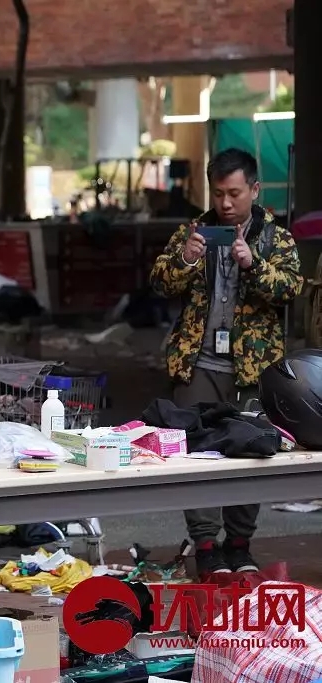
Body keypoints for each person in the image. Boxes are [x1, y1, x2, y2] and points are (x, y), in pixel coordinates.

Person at [149, 147, 303, 575]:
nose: (226, 204)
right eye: (218, 194)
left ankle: (239, 546)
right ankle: (205, 548)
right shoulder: (194, 232)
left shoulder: (276, 238)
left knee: (251, 454)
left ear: (254, 189)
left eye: (234, 193)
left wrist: (254, 266)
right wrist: (186, 260)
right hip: (198, 363)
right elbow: (159, 281)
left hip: (252, 370)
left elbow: (291, 288)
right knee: (193, 456)